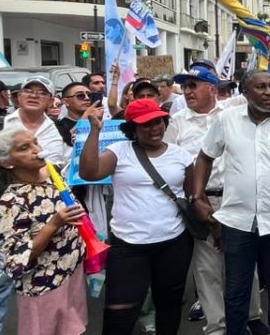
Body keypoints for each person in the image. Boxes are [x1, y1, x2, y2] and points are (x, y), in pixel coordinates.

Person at [193, 69, 270, 335]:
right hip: (237, 222)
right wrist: (198, 196)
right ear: (245, 92)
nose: (269, 92)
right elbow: (204, 157)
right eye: (261, 87)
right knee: (236, 291)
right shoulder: (226, 120)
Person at [78, 98, 194, 335]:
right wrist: (94, 132)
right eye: (146, 125)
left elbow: (191, 196)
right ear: (132, 129)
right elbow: (89, 173)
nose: (155, 129)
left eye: (159, 122)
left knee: (169, 305)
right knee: (120, 312)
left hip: (174, 244)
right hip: (128, 247)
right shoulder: (119, 151)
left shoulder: (182, 155)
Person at [0, 76, 68, 335]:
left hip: (45, 216)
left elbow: (54, 173)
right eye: (28, 90)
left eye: (42, 92)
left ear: (50, 100)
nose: (34, 95)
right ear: (17, 97)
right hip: (3, 216)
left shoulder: (54, 130)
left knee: (44, 275)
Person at [0, 129, 87, 335]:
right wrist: (54, 224)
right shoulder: (10, 202)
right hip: (44, 285)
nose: (36, 150)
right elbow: (16, 260)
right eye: (25, 148)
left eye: (35, 143)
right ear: (6, 162)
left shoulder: (51, 174)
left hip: (71, 273)